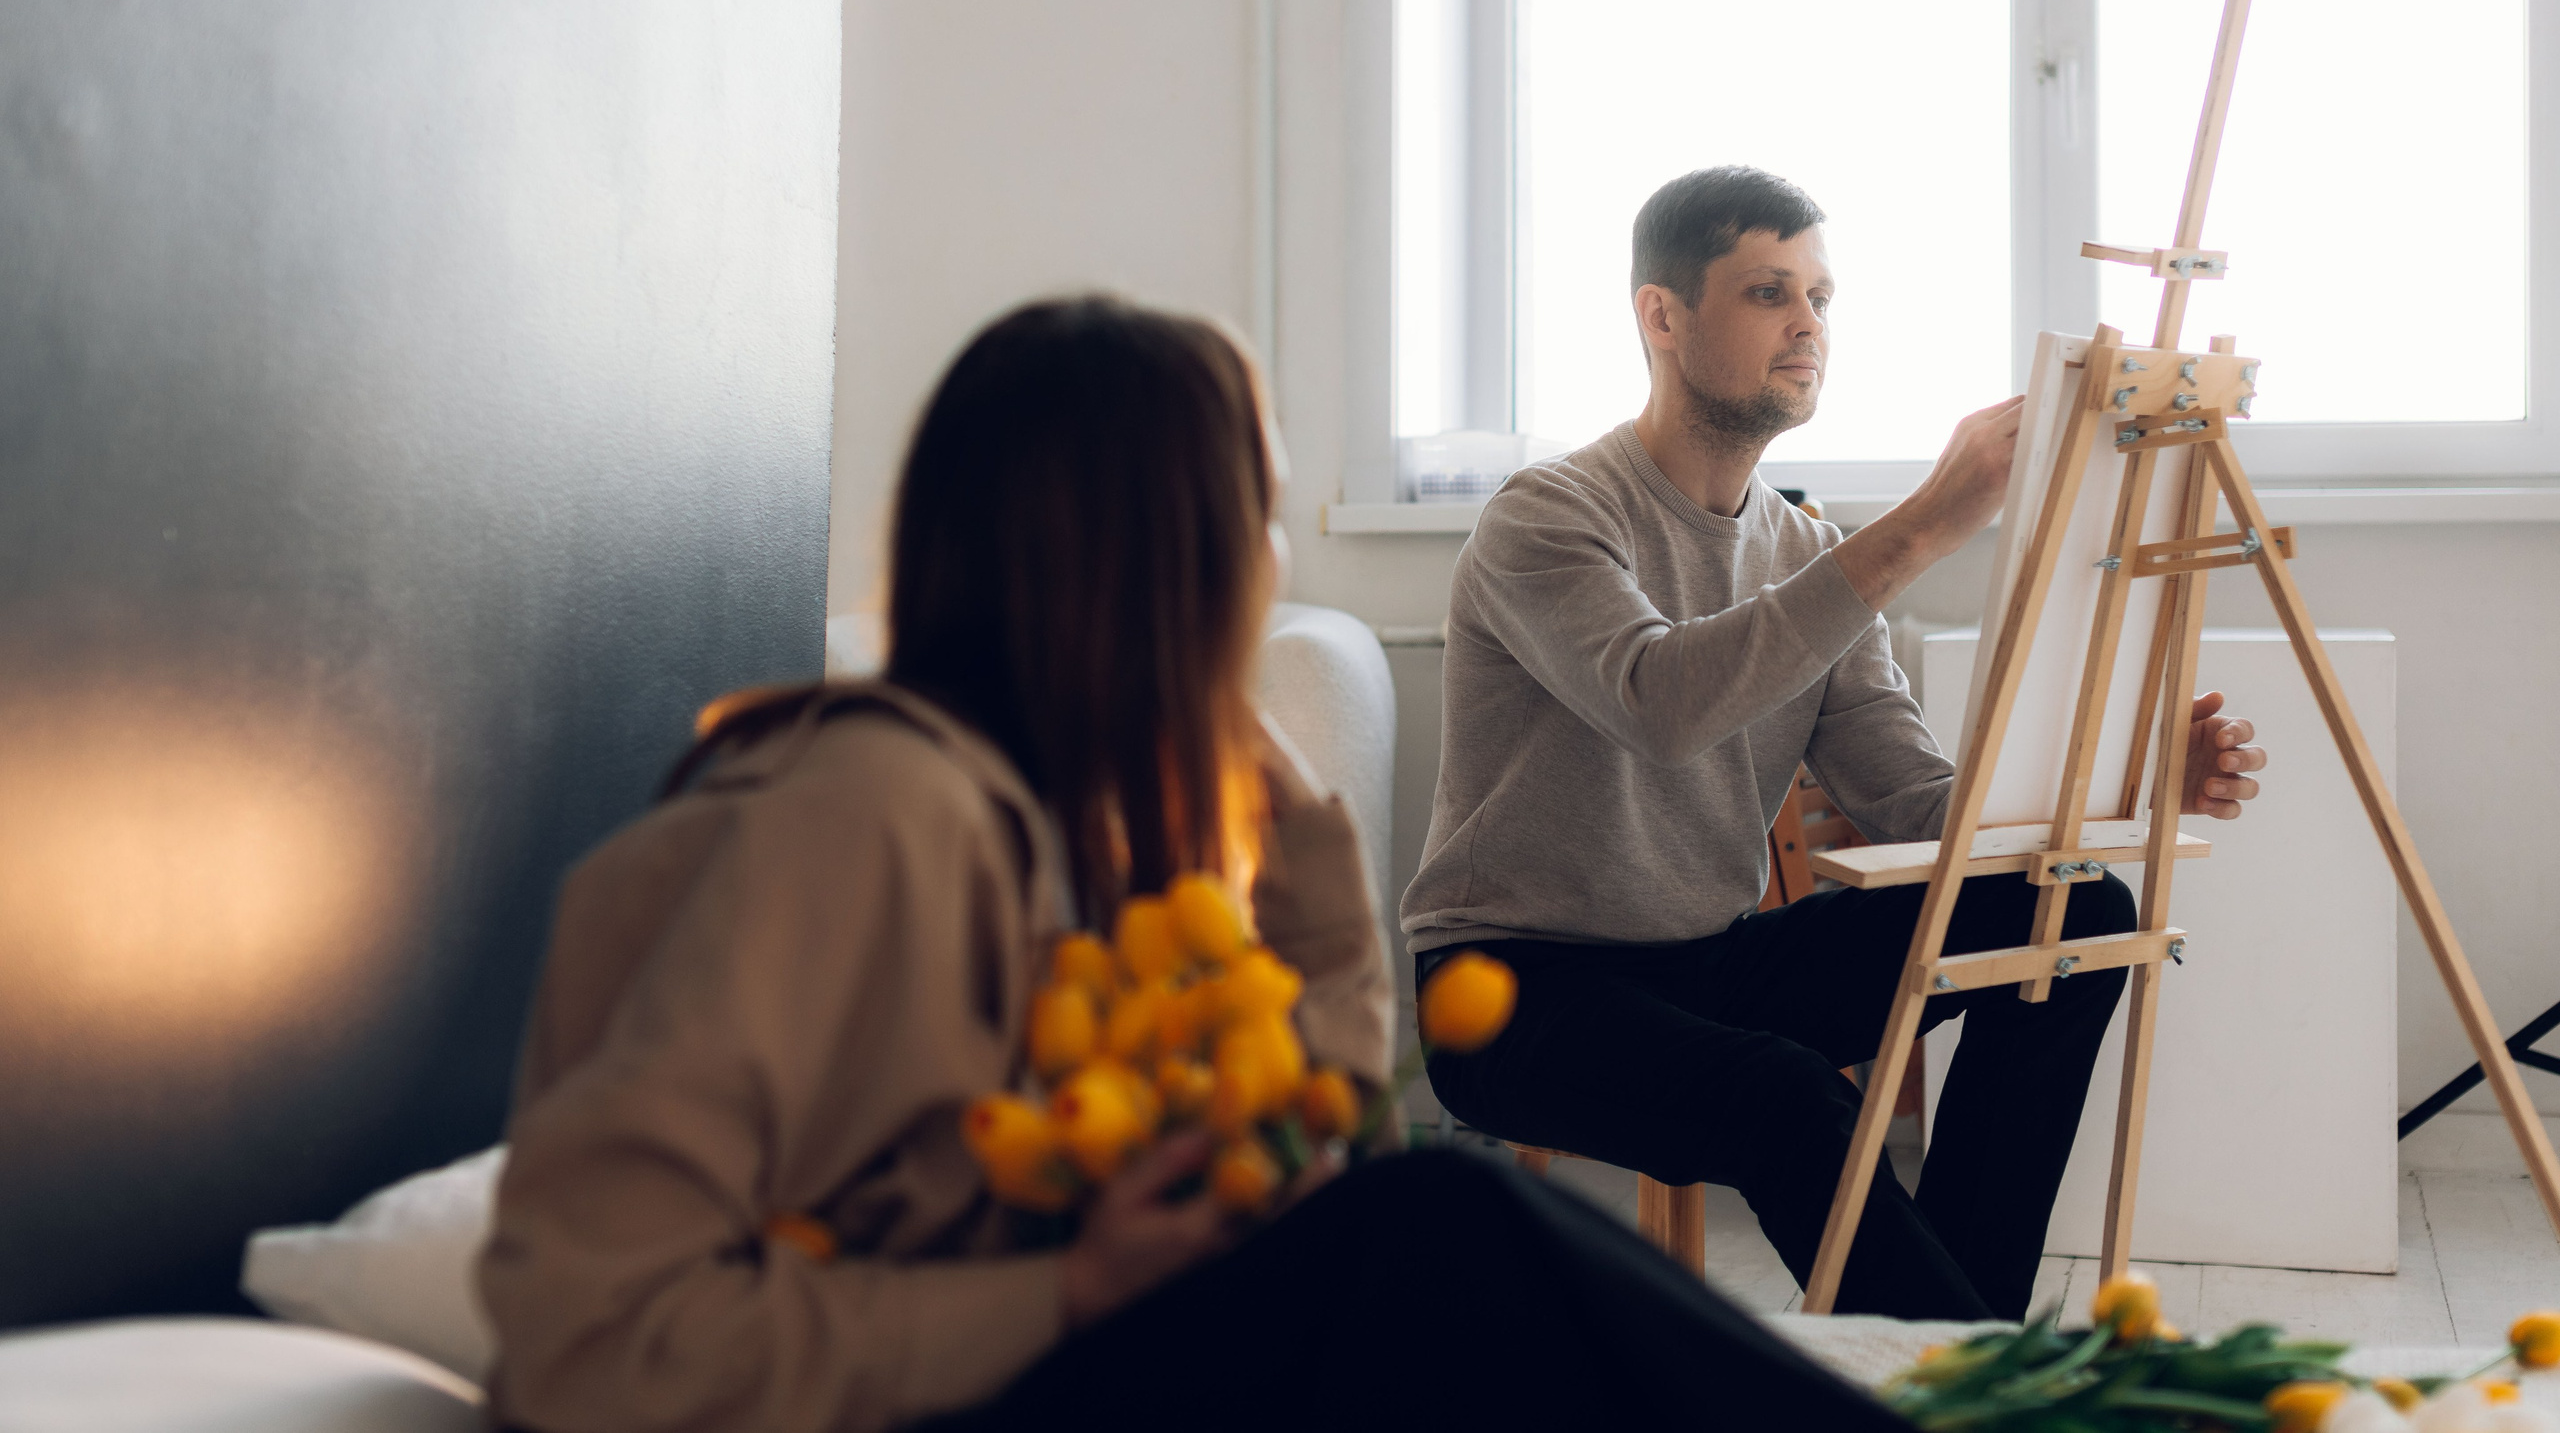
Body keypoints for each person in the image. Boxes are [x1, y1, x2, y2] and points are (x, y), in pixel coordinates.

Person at [479, 294, 1914, 1433]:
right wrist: (1058, 1293)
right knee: (1442, 1215)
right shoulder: (854, 811)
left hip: (1018, 1366)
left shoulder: (1078, 824)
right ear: (1157, 550)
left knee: (1424, 1236)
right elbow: (587, 1347)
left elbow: (1319, 1149)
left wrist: (1300, 854)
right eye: (1257, 511)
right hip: (931, 1391)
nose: (1273, 558)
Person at [1404, 166, 2271, 1323]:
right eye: (1769, 291)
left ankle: (1947, 1351)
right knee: (1785, 1097)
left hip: (1710, 963)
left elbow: (1919, 803)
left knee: (2077, 915)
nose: (1808, 321)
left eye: (1820, 294)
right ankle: (1958, 1374)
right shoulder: (1547, 515)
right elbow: (1664, 705)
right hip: (1513, 989)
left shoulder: (1806, 549)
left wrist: (2124, 788)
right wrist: (1924, 526)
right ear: (1661, 316)